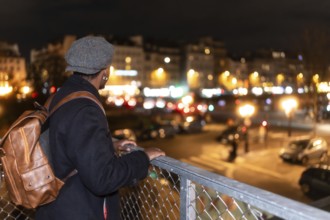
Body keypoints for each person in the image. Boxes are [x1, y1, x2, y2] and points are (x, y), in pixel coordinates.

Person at [35, 36, 165, 220]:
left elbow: (67, 144)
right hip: (75, 210)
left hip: (54, 207)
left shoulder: (62, 96)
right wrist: (143, 157)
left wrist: (107, 146)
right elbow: (103, 179)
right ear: (105, 71)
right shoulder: (85, 109)